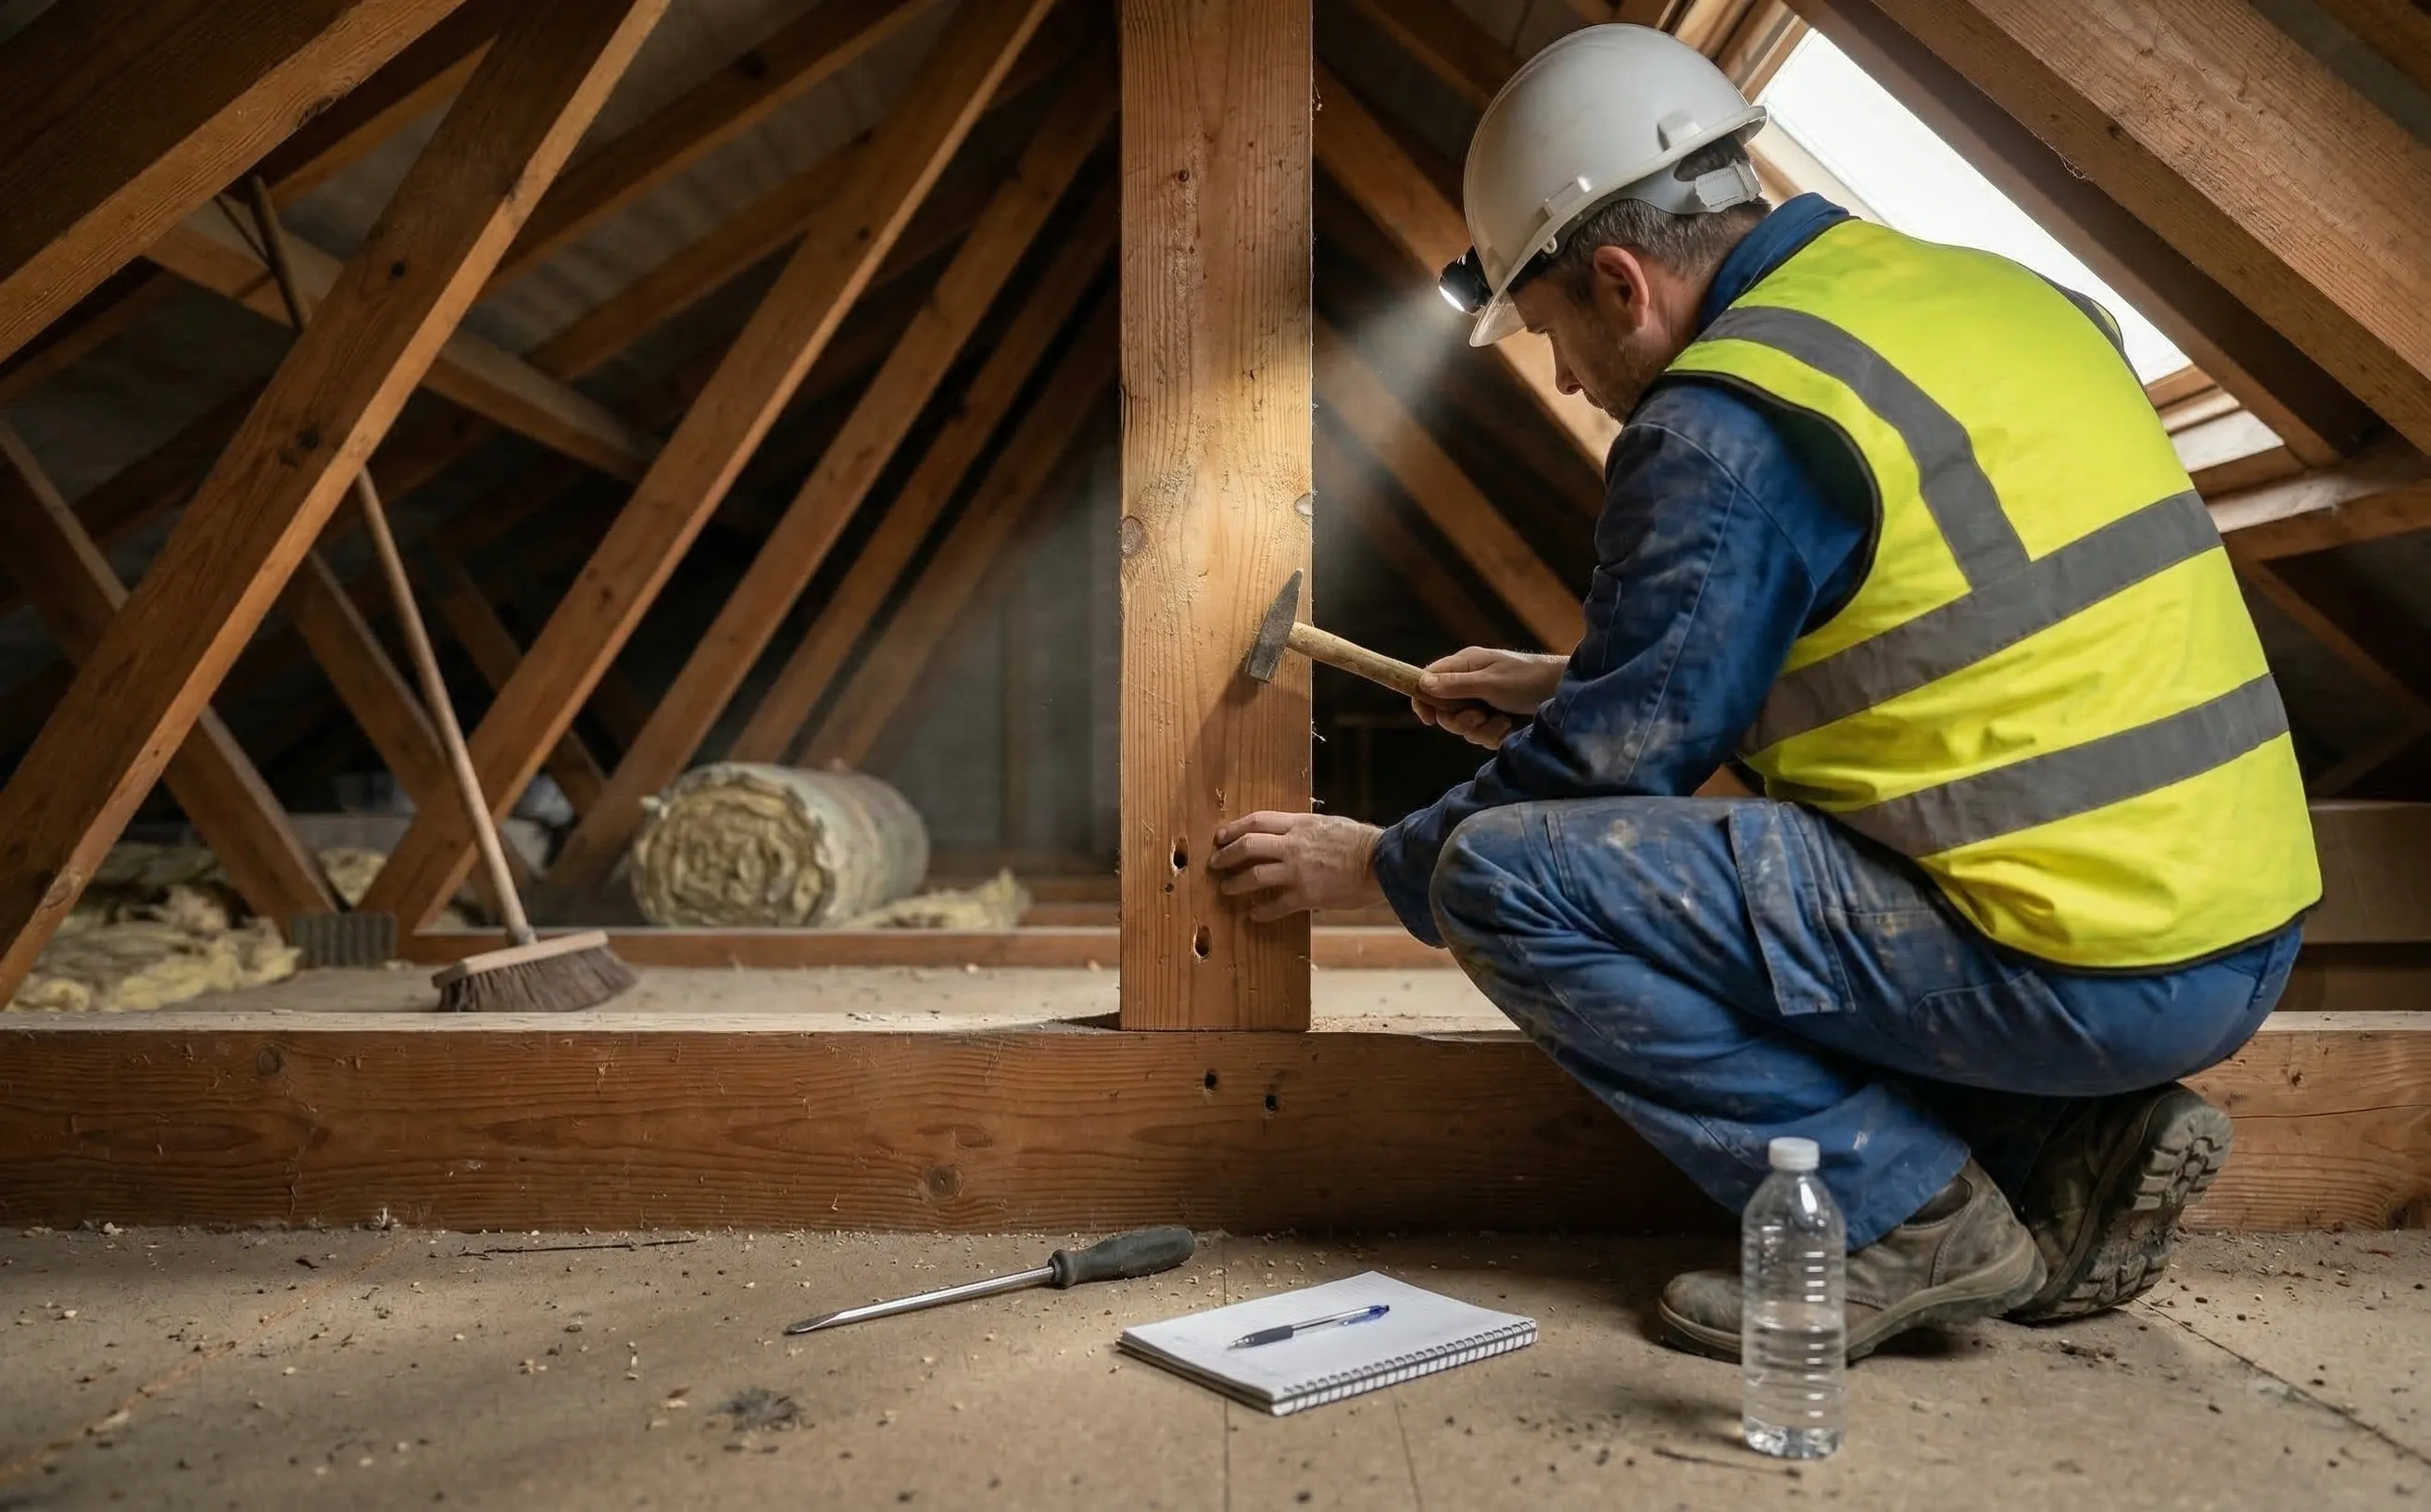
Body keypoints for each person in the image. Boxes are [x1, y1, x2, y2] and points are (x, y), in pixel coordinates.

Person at [1208, 24, 2316, 1361]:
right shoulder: (1987, 296)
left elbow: (1601, 784)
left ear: (1619, 283)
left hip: (2083, 966)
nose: (1566, 381)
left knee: (1499, 879)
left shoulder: (1724, 425)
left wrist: (1382, 864)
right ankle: (2068, 1134)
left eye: (1553, 333)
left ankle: (1900, 1215)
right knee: (1733, 882)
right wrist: (1576, 681)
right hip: (2233, 935)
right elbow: (1959, 648)